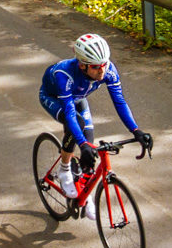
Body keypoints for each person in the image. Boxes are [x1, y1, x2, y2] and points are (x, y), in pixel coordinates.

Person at [39, 33, 153, 219]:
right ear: (82, 65)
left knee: (90, 150)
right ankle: (64, 168)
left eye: (104, 64)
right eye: (96, 67)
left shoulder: (108, 69)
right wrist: (81, 144)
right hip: (53, 98)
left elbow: (120, 102)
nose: (102, 70)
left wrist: (136, 130)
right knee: (77, 126)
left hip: (78, 98)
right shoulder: (64, 74)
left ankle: (85, 196)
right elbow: (69, 113)